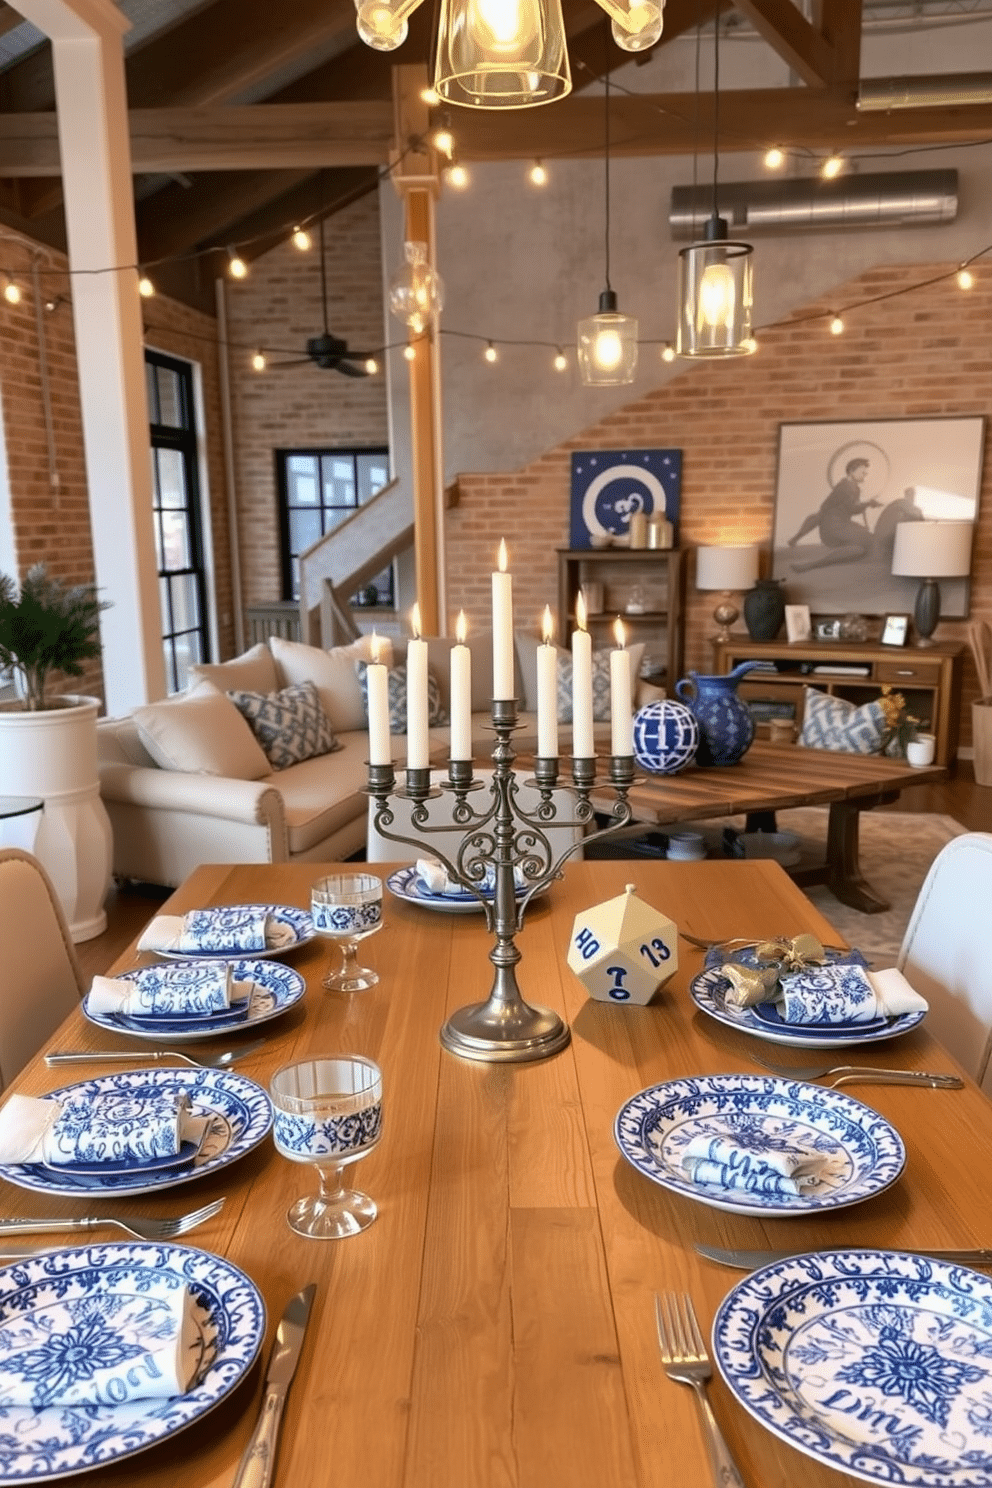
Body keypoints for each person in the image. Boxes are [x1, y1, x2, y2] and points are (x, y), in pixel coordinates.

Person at [788, 457, 882, 571]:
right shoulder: (844, 487)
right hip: (834, 528)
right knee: (862, 546)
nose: (865, 474)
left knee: (865, 541)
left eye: (865, 472)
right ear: (852, 471)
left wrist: (866, 506)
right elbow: (850, 508)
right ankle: (812, 565)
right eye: (862, 471)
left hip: (842, 524)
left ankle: (809, 561)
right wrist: (867, 504)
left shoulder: (855, 488)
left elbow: (855, 508)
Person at [871, 486, 925, 559]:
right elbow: (916, 515)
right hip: (886, 540)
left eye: (913, 494)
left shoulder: (898, 503)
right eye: (911, 494)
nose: (912, 496)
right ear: (907, 495)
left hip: (881, 539)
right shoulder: (903, 503)